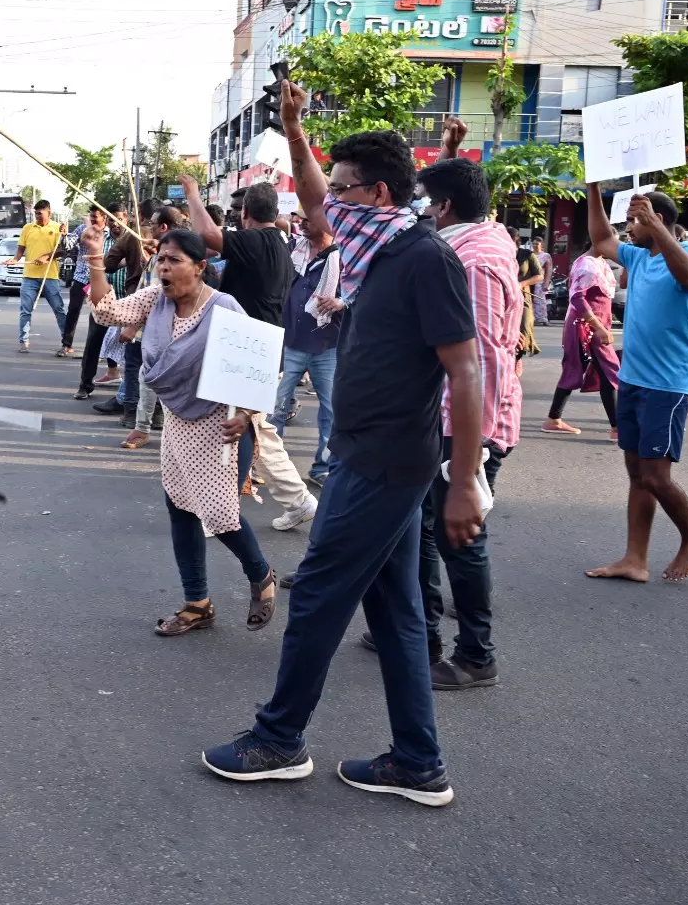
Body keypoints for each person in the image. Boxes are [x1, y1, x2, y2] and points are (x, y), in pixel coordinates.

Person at [200, 85, 482, 807]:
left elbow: (466, 367)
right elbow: (320, 203)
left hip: (389, 460)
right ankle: (419, 762)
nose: (328, 201)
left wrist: (463, 481)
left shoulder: (424, 258)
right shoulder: (371, 244)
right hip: (366, 452)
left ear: (380, 192)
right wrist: (294, 131)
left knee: (321, 591)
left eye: (348, 185)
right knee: (397, 614)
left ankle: (278, 739)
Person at [82, 225, 276, 636]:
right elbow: (107, 313)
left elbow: (260, 369)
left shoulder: (225, 308)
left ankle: (261, 575)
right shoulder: (155, 301)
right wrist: (96, 258)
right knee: (181, 507)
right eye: (161, 261)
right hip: (177, 422)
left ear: (201, 267)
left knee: (221, 515)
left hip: (221, 425)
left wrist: (245, 416)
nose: (164, 269)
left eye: (174, 261)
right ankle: (197, 603)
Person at [411, 147, 522, 690]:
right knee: (431, 533)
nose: (421, 211)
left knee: (461, 536)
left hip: (468, 426)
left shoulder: (472, 261)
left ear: (445, 206)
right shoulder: (479, 238)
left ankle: (476, 655)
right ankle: (422, 635)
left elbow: (481, 362)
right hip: (452, 421)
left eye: (426, 202)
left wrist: (468, 453)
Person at [582, 184, 688, 584]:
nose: (629, 229)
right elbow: (602, 239)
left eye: (636, 221)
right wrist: (593, 186)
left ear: (660, 221)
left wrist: (654, 222)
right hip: (633, 379)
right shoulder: (637, 258)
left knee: (656, 477)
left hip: (666, 385)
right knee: (637, 474)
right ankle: (634, 559)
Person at [185, 181, 319, 533]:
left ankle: (221, 513)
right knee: (258, 432)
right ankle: (298, 501)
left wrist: (193, 195)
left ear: (244, 215)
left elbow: (209, 235)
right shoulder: (278, 242)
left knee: (236, 433)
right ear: (276, 214)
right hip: (257, 352)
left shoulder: (257, 240)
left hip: (246, 356)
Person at [268, 209, 339, 491]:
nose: (302, 223)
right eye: (300, 218)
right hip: (290, 343)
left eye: (308, 218)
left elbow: (359, 291)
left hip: (327, 346)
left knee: (331, 411)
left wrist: (340, 302)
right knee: (274, 407)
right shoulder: (292, 250)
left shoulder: (342, 257)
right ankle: (275, 468)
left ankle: (322, 468)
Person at [544, 241, 622, 438]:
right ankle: (618, 428)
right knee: (608, 371)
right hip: (586, 328)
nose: (617, 248)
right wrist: (598, 327)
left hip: (593, 326)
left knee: (586, 370)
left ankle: (554, 418)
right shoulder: (587, 265)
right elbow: (577, 298)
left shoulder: (600, 262)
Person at [121, 205, 182, 448]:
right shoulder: (160, 256)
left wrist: (132, 325)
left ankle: (156, 431)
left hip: (171, 331)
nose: (149, 227)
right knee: (146, 377)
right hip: (157, 331)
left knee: (161, 381)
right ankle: (142, 428)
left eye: (153, 223)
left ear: (164, 227)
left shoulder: (171, 260)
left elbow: (156, 298)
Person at [74, 204, 135, 399]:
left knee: (134, 349)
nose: (115, 224)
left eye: (118, 219)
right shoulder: (101, 240)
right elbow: (97, 266)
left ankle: (129, 394)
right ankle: (84, 385)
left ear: (126, 218)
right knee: (93, 342)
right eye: (111, 220)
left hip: (130, 301)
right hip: (104, 301)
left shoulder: (135, 240)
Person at [15, 198, 66, 354]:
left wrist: (48, 256)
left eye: (40, 213)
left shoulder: (59, 228)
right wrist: (14, 259)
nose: (37, 216)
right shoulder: (27, 228)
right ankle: (24, 341)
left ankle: (66, 342)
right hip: (29, 276)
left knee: (59, 309)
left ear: (49, 212)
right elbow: (20, 249)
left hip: (50, 276)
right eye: (35, 213)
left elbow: (64, 250)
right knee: (25, 310)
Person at [60, 207, 108, 357]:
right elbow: (68, 245)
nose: (93, 220)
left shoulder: (108, 233)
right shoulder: (81, 229)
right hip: (80, 276)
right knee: (73, 310)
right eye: (91, 217)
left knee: (100, 314)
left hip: (99, 279)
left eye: (96, 217)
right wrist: (63, 235)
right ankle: (66, 345)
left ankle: (100, 350)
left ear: (104, 217)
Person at [516, 236, 543, 355]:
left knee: (525, 324)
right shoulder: (500, 254)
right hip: (502, 294)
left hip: (522, 294)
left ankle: (521, 352)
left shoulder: (528, 255)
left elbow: (540, 275)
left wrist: (521, 284)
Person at [530, 237, 551, 325]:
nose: (535, 245)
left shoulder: (546, 256)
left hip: (539, 281)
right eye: (533, 243)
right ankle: (530, 318)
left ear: (541, 245)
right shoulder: (529, 254)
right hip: (529, 280)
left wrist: (546, 283)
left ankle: (541, 319)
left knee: (539, 300)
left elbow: (549, 270)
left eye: (537, 244)